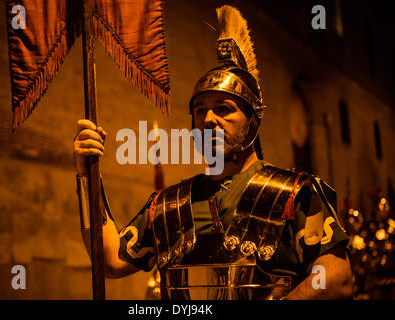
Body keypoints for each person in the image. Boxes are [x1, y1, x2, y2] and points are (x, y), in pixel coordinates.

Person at [72, 5, 353, 300]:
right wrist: (86, 174)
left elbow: (335, 278)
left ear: (253, 122)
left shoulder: (298, 193)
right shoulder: (166, 205)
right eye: (199, 111)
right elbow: (110, 262)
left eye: (223, 109)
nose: (208, 119)